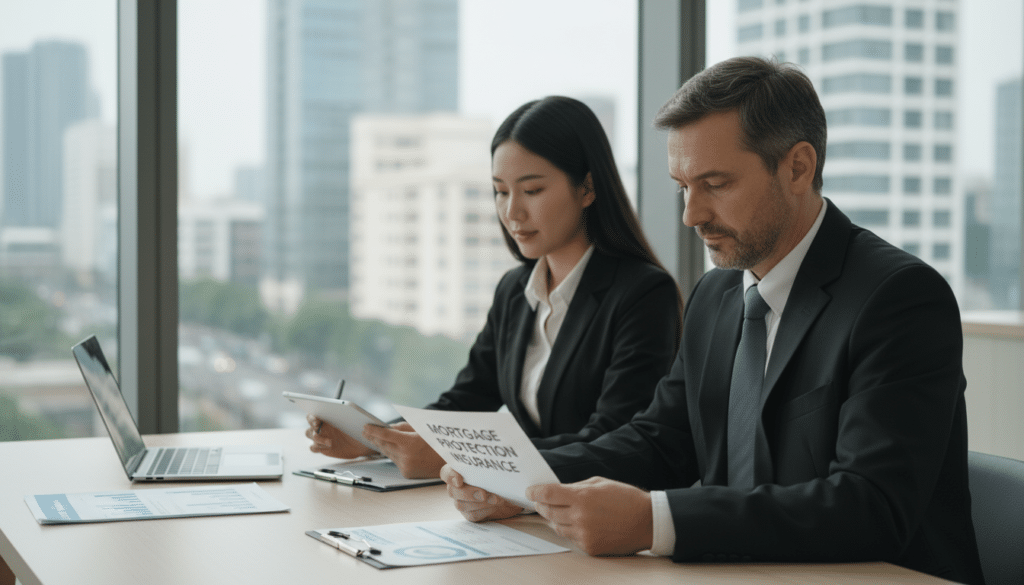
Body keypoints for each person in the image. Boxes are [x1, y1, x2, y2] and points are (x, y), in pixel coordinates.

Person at [441, 57, 985, 585]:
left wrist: (654, 520)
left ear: (798, 167)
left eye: (716, 184)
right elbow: (660, 441)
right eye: (683, 187)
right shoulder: (718, 294)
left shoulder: (898, 297)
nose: (691, 215)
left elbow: (871, 505)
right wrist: (514, 475)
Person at [306, 96, 682, 479]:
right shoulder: (515, 290)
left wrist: (459, 457)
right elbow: (467, 400)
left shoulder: (644, 295)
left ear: (587, 187)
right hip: (518, 507)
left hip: (595, 513)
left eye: (532, 191)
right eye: (501, 191)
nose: (512, 212)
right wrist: (373, 438)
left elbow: (611, 438)